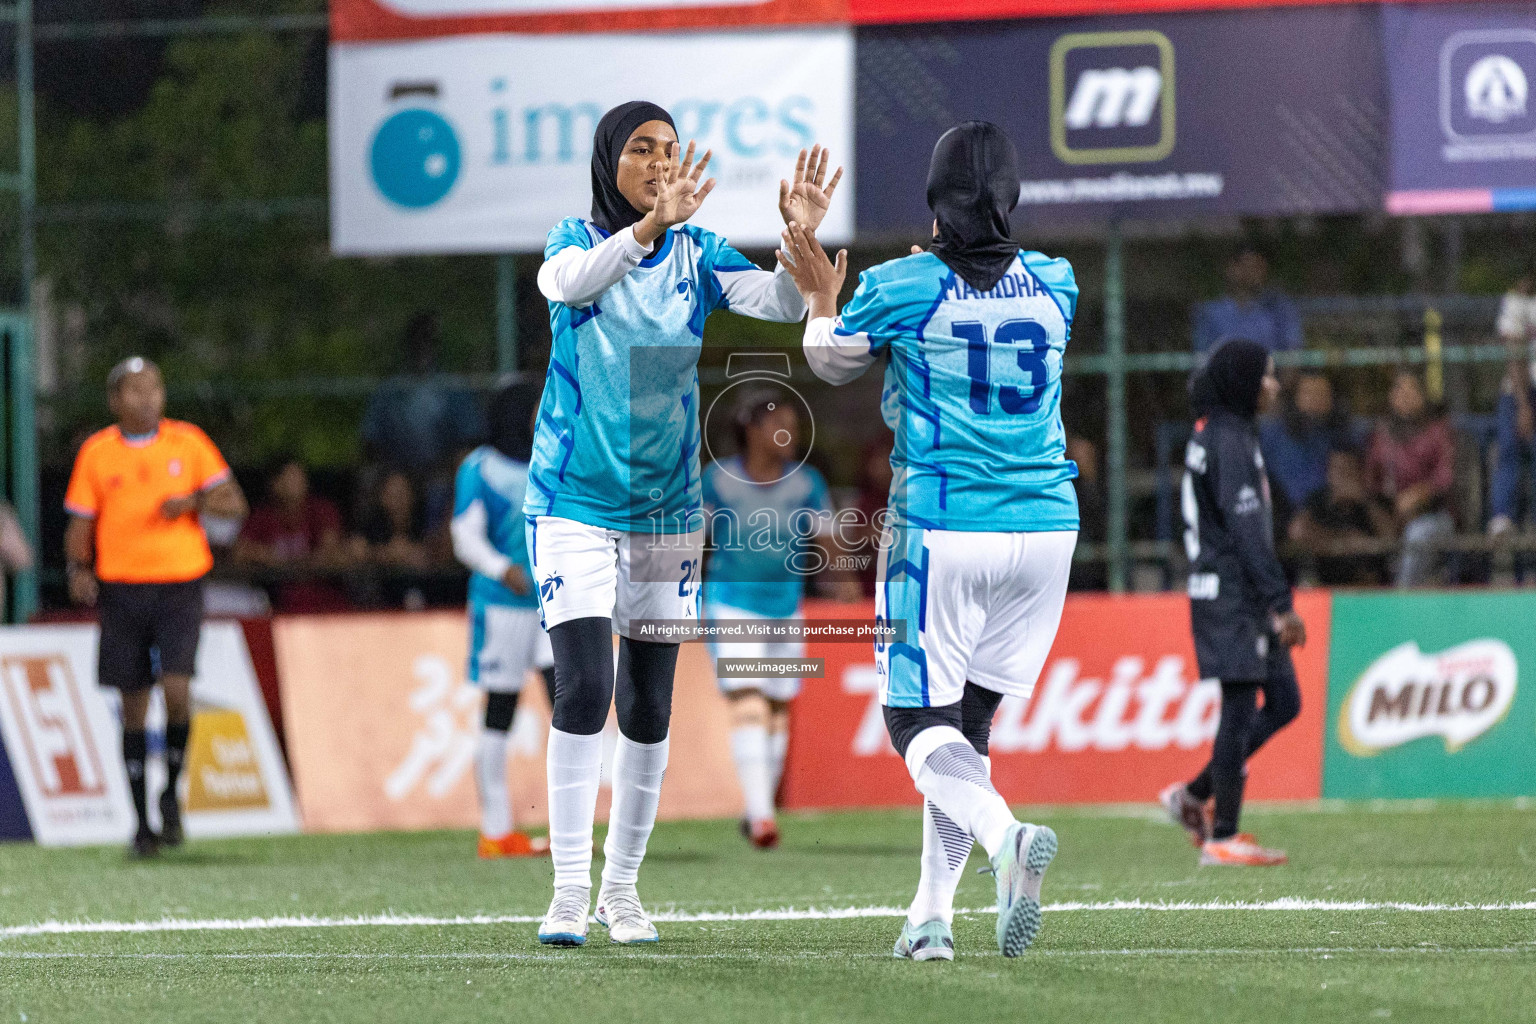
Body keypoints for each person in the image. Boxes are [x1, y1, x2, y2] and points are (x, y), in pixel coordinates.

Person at [526, 99, 841, 946]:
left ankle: (621, 892)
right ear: (608, 163)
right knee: (585, 687)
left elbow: (773, 301)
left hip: (665, 513)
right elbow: (566, 286)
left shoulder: (697, 253)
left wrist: (800, 249)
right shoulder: (573, 242)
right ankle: (566, 890)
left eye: (670, 148)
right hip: (574, 506)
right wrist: (640, 233)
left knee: (649, 704)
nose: (660, 162)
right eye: (641, 149)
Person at [777, 121, 1077, 961]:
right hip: (1047, 528)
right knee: (966, 732)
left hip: (945, 526)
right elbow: (990, 278)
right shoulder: (1060, 282)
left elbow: (831, 361)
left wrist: (823, 299)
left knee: (915, 720)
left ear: (934, 201)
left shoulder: (905, 283)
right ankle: (930, 919)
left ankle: (1006, 837)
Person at [63, 357, 249, 858]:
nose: (147, 397)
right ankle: (140, 821)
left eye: (155, 388)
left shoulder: (188, 443)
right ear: (114, 400)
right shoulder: (98, 453)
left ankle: (171, 792)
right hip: (122, 588)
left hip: (179, 586)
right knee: (132, 702)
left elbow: (233, 501)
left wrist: (192, 503)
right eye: (135, 389)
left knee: (178, 688)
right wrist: (79, 568)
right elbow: (80, 522)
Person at [1160, 340, 1303, 867]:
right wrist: (1280, 603)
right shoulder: (1231, 441)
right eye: (1267, 376)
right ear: (1245, 383)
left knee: (1284, 701)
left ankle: (1194, 795)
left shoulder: (1220, 431)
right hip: (1232, 594)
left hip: (1233, 591)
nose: (1275, 385)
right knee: (1241, 707)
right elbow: (1246, 533)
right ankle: (1223, 835)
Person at [701, 387, 849, 850]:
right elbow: (692, 540)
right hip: (730, 603)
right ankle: (764, 815)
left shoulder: (808, 483)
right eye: (781, 425)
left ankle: (757, 809)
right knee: (750, 699)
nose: (792, 435)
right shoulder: (716, 480)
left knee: (779, 708)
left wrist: (844, 584)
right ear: (751, 429)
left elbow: (827, 542)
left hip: (786, 608)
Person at [450, 379, 557, 860]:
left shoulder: (555, 459)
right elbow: (464, 537)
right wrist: (503, 568)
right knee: (500, 713)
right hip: (500, 606)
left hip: (555, 604)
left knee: (571, 709)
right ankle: (496, 832)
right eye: (536, 405)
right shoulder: (481, 468)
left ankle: (568, 831)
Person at [1365, 370, 1455, 587]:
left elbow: (1445, 480)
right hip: (1391, 513)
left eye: (1411, 389)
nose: (1405, 395)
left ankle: (1402, 595)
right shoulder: (1382, 433)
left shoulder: (1438, 431)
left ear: (1423, 395)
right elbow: (1370, 482)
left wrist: (1418, 495)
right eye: (1398, 389)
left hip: (1433, 515)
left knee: (1418, 534)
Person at [235, 457, 350, 612]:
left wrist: (282, 560)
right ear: (275, 484)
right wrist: (263, 555)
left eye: (300, 476)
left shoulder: (321, 510)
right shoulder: (263, 516)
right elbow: (240, 551)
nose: (298, 482)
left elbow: (330, 552)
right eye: (291, 476)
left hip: (325, 602)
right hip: (278, 603)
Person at [1288, 446, 1395, 586]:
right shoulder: (1318, 501)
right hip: (1327, 581)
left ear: (1360, 472)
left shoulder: (1377, 500)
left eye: (1349, 470)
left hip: (1372, 584)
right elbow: (1297, 531)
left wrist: (1365, 500)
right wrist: (1342, 539)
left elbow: (1391, 535)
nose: (1343, 476)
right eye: (1338, 470)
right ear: (1329, 474)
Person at [1259, 371, 1343, 526]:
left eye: (1322, 394)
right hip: (1282, 515)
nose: (1316, 400)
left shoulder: (1340, 436)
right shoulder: (1271, 433)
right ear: (1296, 397)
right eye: (1309, 393)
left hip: (1327, 515)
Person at [1489, 264, 1536, 538]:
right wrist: (1523, 406)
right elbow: (1513, 353)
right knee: (1508, 449)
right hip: (1521, 392)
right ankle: (1501, 518)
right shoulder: (1518, 301)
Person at [1192, 248, 1302, 357]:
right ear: (1231, 269)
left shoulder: (1280, 310)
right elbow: (1201, 356)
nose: (1253, 273)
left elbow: (1290, 353)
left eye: (1259, 267)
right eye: (1248, 266)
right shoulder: (1210, 312)